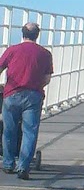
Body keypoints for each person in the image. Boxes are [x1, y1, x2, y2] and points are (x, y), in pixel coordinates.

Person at [0, 21, 54, 180]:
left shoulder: (12, 50)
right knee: (30, 131)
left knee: (9, 130)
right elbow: (47, 78)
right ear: (37, 35)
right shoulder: (45, 54)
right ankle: (23, 167)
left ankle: (8, 163)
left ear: (22, 33)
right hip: (33, 95)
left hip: (12, 94)